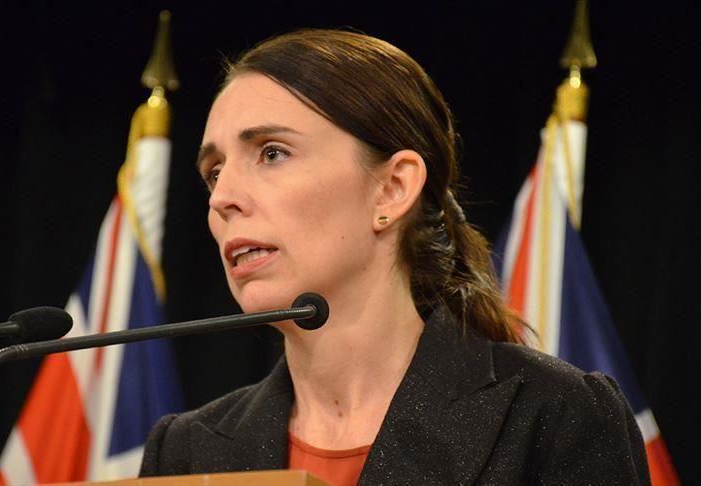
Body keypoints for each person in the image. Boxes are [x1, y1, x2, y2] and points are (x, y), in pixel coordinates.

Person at [140, 29, 649, 485]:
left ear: (392, 188)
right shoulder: (186, 452)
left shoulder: (554, 416)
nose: (222, 198)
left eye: (272, 153)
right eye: (213, 172)